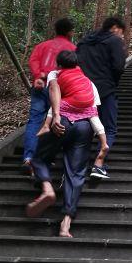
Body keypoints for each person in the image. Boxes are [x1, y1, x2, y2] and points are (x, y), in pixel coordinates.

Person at [27, 83, 95, 239]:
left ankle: (47, 188)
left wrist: (48, 123)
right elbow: (94, 113)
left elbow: (54, 104)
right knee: (75, 174)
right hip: (84, 127)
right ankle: (65, 225)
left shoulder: (61, 81)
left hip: (61, 122)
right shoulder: (89, 86)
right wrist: (102, 140)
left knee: (39, 157)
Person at [37, 50, 109, 180]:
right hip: (89, 102)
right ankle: (104, 143)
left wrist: (56, 116)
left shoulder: (58, 75)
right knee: (94, 117)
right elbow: (94, 105)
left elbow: (54, 91)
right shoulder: (83, 76)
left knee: (56, 103)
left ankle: (46, 126)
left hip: (71, 108)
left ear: (59, 64)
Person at [22, 18, 76, 170]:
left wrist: (38, 76)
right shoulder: (72, 48)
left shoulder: (42, 46)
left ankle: (29, 157)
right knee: (57, 120)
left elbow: (33, 60)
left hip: (40, 86)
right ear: (69, 32)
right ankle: (46, 157)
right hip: (59, 88)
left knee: (35, 120)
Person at [76, 16, 126, 178]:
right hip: (105, 90)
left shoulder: (84, 42)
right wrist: (112, 82)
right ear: (115, 28)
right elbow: (119, 66)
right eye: (122, 32)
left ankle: (77, 163)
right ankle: (98, 163)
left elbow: (75, 64)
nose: (122, 36)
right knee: (109, 127)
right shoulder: (114, 41)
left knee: (85, 126)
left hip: (83, 90)